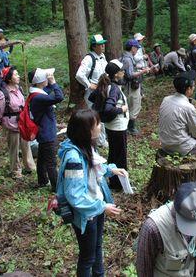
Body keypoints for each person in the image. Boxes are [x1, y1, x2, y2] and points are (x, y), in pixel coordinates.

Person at [57, 109, 127, 277]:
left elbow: (94, 168)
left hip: (95, 209)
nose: (100, 125)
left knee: (97, 247)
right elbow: (75, 196)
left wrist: (111, 170)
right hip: (86, 214)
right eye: (97, 124)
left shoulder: (85, 146)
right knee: (87, 257)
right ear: (86, 130)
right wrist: (102, 207)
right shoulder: (74, 158)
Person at [136, 182, 196, 276]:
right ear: (176, 211)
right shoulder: (153, 228)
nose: (195, 232)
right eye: (190, 225)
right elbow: (144, 269)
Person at [89, 60, 129, 190]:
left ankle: (114, 181)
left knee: (113, 153)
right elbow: (108, 109)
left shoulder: (106, 84)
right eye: (122, 71)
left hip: (111, 126)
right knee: (120, 156)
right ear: (116, 74)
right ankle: (119, 184)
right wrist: (121, 109)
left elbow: (91, 98)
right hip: (118, 127)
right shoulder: (114, 88)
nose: (124, 73)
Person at [0, 66, 36, 178]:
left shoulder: (19, 89)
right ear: (9, 78)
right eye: (16, 74)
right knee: (14, 148)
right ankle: (16, 171)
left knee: (26, 145)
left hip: (22, 122)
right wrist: (3, 123)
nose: (18, 76)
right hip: (11, 125)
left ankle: (30, 167)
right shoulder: (2, 94)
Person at [28, 68, 64, 191]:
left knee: (43, 158)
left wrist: (50, 84)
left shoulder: (36, 93)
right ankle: (56, 186)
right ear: (40, 81)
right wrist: (53, 82)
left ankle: (42, 180)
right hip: (47, 133)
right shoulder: (38, 97)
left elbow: (47, 91)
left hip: (44, 131)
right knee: (51, 162)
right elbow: (59, 97)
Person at [121, 39, 150, 135]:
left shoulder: (126, 56)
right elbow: (129, 75)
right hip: (131, 87)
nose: (137, 50)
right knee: (134, 105)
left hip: (128, 86)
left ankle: (128, 127)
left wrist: (139, 69)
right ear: (132, 48)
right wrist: (143, 71)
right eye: (136, 48)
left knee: (131, 105)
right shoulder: (128, 59)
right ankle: (131, 128)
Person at [76, 34, 109, 109]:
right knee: (94, 113)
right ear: (94, 46)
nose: (103, 46)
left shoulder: (102, 56)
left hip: (103, 90)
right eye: (100, 44)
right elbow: (79, 75)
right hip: (93, 93)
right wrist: (89, 85)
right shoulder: (88, 59)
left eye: (103, 44)